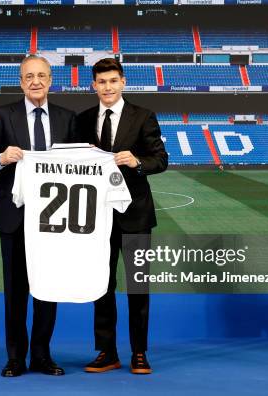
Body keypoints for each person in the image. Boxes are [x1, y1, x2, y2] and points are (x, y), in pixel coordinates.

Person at [0, 55, 77, 377]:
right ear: (21, 82)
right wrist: (1, 158)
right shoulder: (1, 115)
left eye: (41, 76)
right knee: (16, 290)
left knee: (48, 289)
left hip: (54, 218)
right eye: (29, 76)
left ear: (51, 80)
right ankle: (15, 357)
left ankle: (42, 355)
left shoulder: (67, 118)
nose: (35, 82)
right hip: (15, 215)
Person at [76, 58, 168, 375]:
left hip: (136, 217)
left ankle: (139, 352)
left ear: (123, 82)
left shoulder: (143, 116)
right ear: (93, 85)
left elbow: (160, 160)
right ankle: (107, 351)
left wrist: (137, 161)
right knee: (101, 286)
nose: (108, 87)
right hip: (97, 217)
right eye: (101, 82)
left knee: (138, 287)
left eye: (113, 80)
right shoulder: (84, 119)